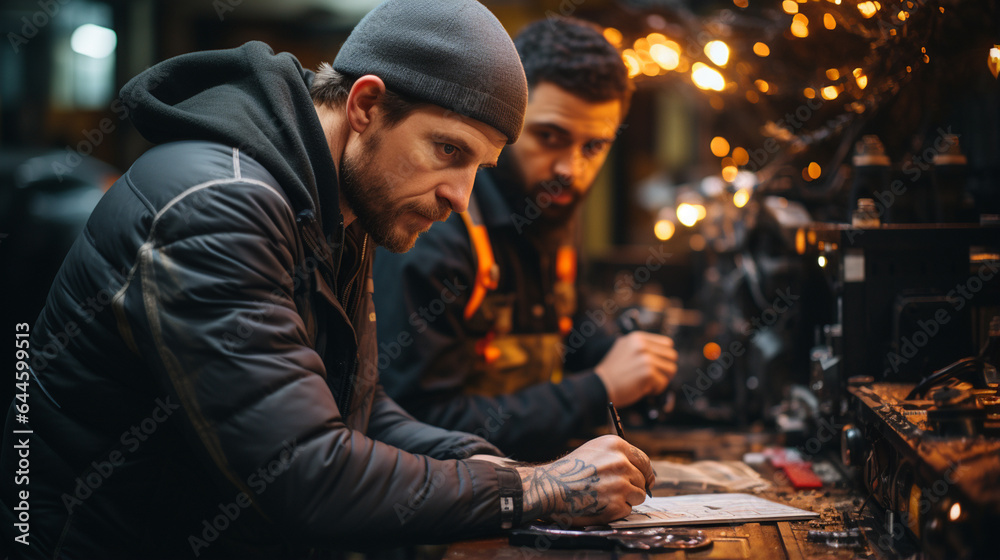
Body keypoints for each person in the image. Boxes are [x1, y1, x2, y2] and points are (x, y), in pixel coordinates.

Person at [0, 2, 655, 558]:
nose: (461, 196)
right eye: (448, 150)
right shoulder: (217, 204)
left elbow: (358, 411)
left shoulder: (334, 200)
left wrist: (503, 468)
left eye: (480, 166)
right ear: (367, 105)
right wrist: (529, 492)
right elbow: (302, 476)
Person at [373, 17, 679, 461]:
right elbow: (415, 423)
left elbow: (571, 329)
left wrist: (625, 355)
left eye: (593, 147)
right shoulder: (437, 226)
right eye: (550, 137)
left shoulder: (551, 208)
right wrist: (598, 388)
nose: (569, 170)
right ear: (506, 119)